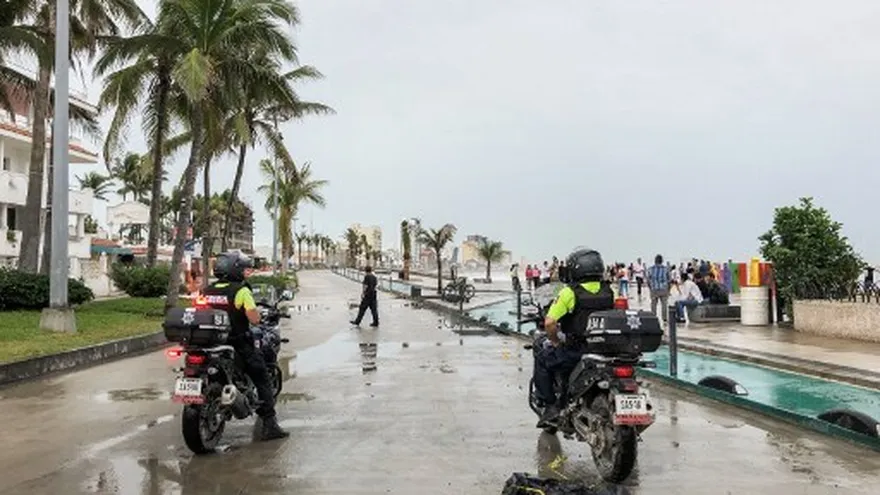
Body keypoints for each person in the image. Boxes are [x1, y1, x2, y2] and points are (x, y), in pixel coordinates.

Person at [202, 252, 289, 441]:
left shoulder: (207, 290)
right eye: (243, 269)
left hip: (211, 343)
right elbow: (254, 318)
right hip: (237, 343)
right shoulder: (241, 291)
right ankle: (269, 424)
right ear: (235, 270)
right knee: (262, 377)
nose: (245, 272)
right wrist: (258, 317)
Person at [534, 248, 615, 429]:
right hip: (604, 350)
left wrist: (555, 341)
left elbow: (549, 323)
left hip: (577, 350)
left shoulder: (569, 292)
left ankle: (550, 407)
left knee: (542, 360)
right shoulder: (610, 291)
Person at [647, 254, 670, 323]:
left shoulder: (650, 269)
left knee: (653, 304)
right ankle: (664, 319)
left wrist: (650, 288)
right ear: (662, 261)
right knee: (664, 304)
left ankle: (653, 317)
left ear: (655, 261)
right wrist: (668, 290)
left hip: (654, 289)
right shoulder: (666, 269)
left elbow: (648, 280)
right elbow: (669, 280)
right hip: (663, 289)